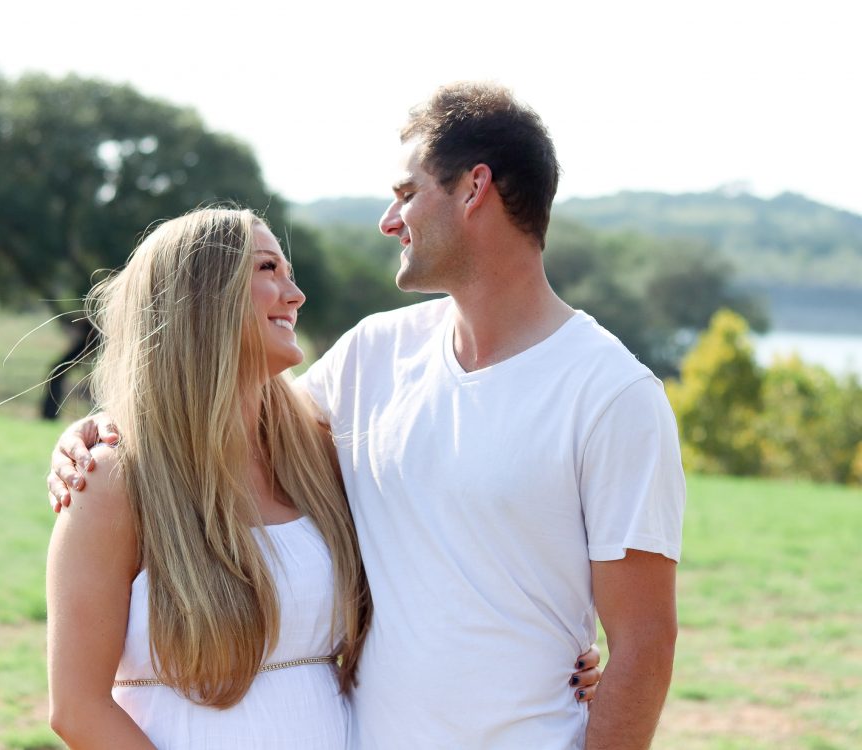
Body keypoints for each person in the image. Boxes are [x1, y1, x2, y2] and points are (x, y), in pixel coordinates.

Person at [52, 81, 677, 749]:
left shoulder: (611, 394)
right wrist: (94, 434)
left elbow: (643, 642)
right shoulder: (373, 357)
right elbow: (212, 413)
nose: (388, 219)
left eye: (406, 194)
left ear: (473, 189)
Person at [46, 208, 372, 748]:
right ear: (203, 296)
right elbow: (77, 709)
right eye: (268, 268)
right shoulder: (113, 481)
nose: (295, 294)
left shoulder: (318, 453)